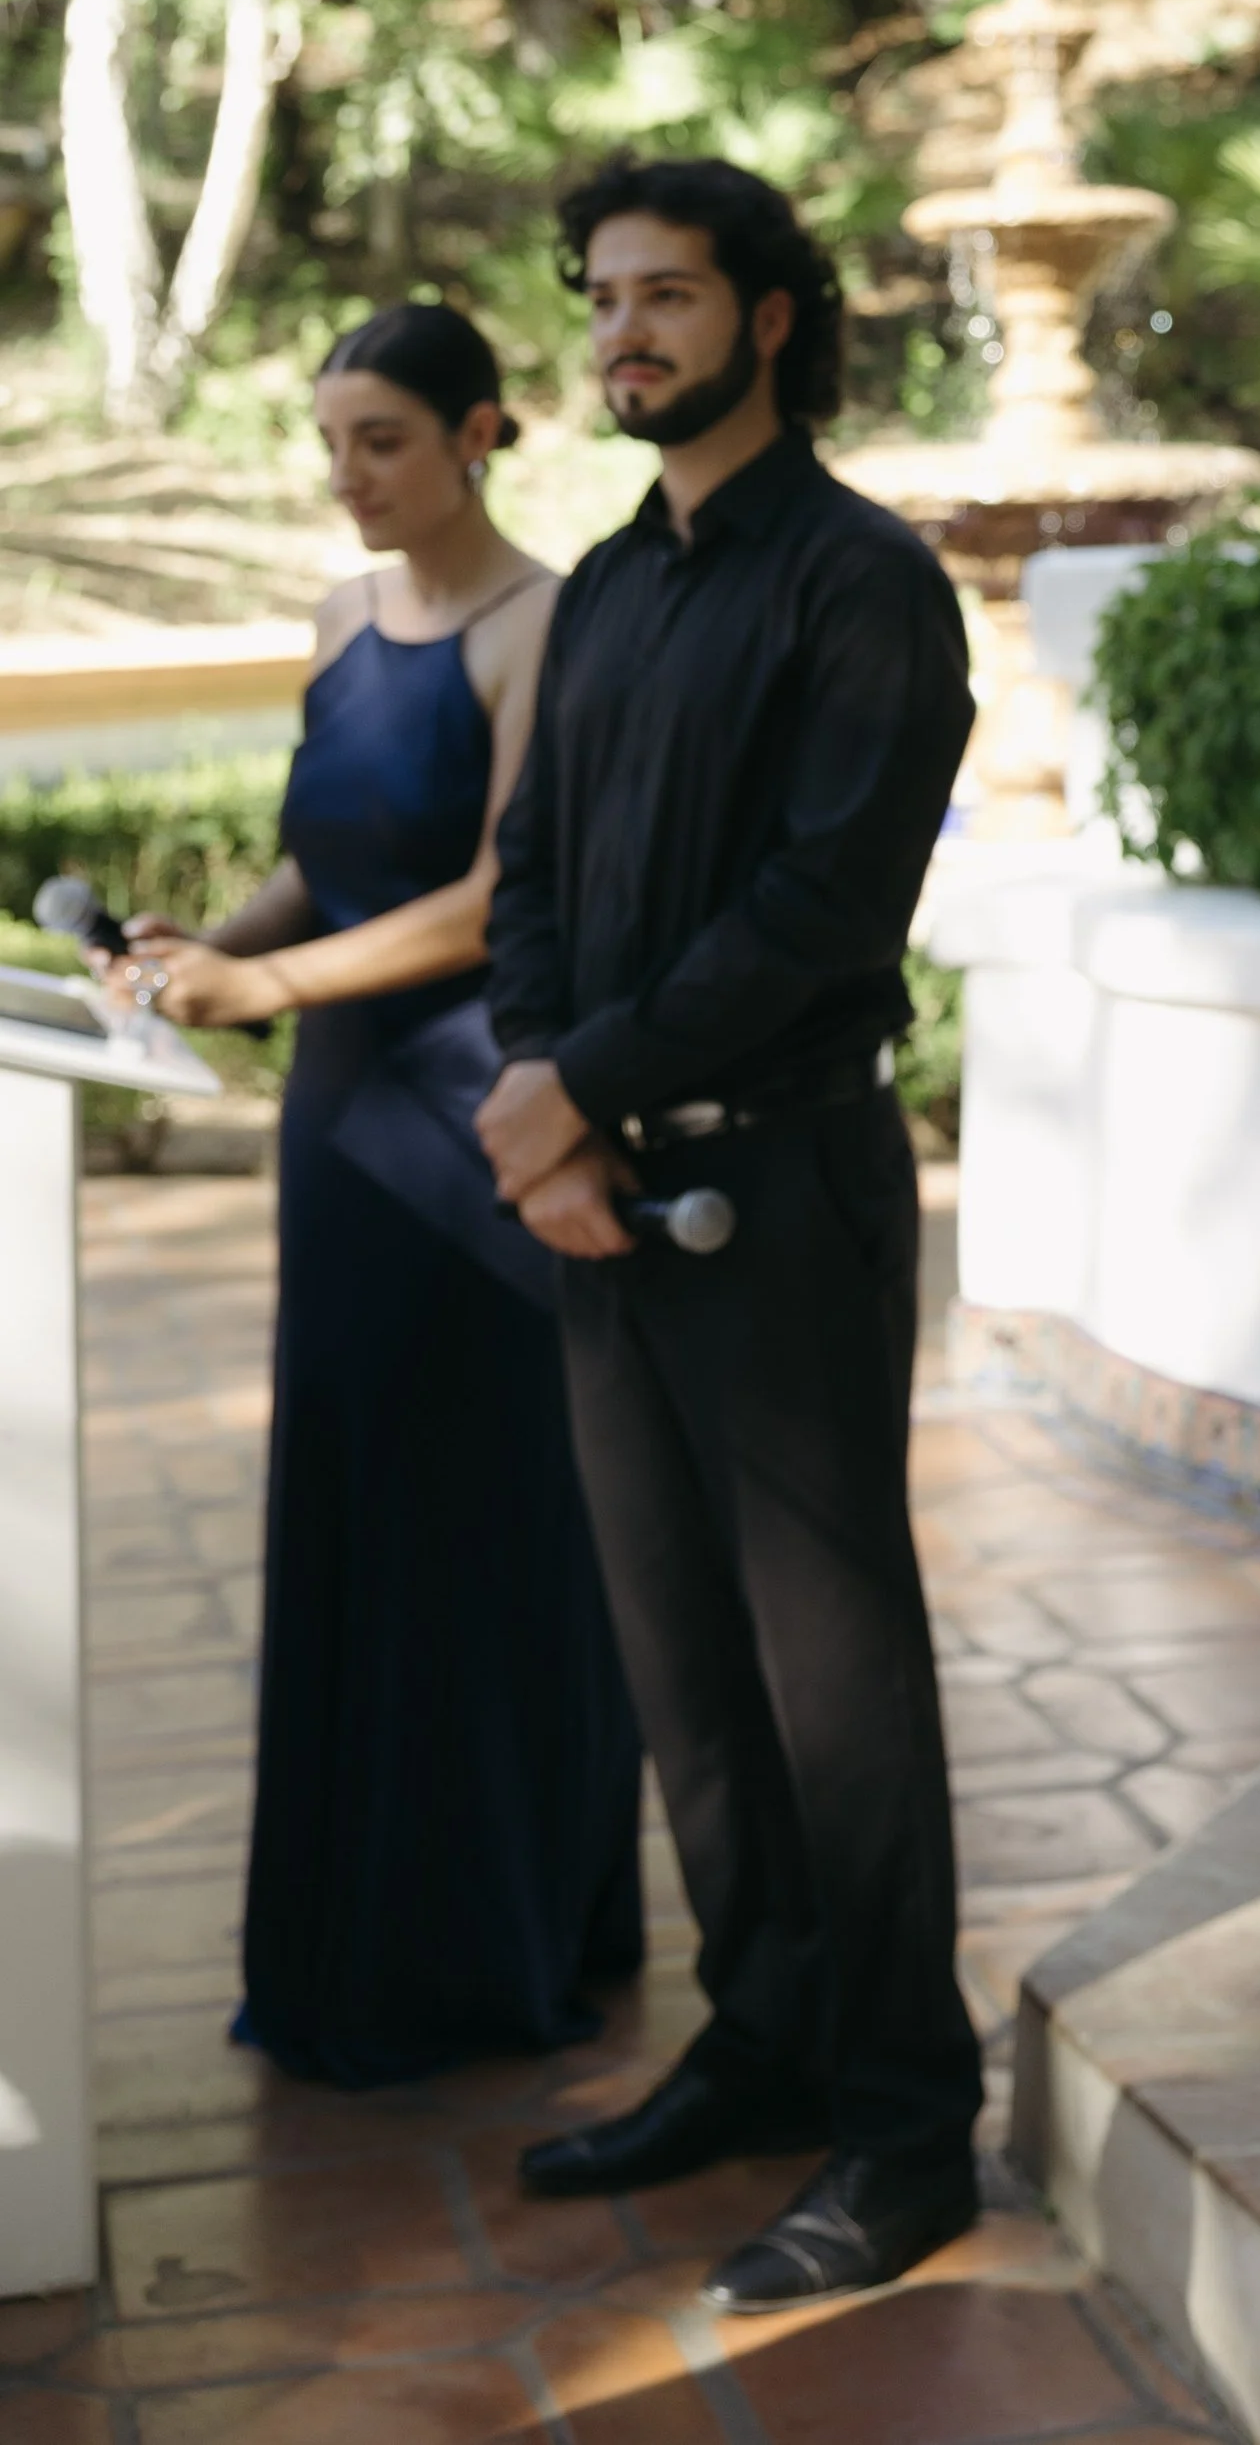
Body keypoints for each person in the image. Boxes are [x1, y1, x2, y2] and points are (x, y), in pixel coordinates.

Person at [474, 152, 982, 2313]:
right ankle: (766, 2042)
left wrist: (571, 1086)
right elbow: (534, 885)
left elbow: (820, 907)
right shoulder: (604, 587)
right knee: (688, 1678)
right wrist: (547, 1110)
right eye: (600, 301)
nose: (622, 335)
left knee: (833, 1686)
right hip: (602, 1202)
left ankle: (904, 2127)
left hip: (781, 1190)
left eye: (665, 296)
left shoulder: (865, 585)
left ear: (771, 318)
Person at [105, 303, 643, 2086]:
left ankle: (494, 1949)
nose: (348, 475)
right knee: (349, 1489)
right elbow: (323, 861)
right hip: (336, 1129)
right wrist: (218, 944)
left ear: (482, 432)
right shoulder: (343, 616)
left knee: (476, 1515)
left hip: (468, 1113)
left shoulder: (540, 617)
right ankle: (350, 1947)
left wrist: (268, 993)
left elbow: (499, 893)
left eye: (384, 441)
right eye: (329, 441)